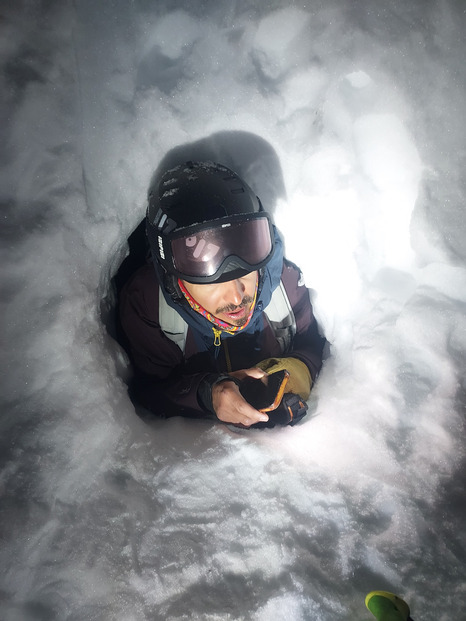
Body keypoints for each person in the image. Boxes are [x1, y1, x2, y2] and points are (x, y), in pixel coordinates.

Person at [118, 161, 326, 427]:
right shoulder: (149, 303)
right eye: (210, 279)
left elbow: (315, 346)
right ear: (173, 276)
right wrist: (207, 394)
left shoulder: (285, 285)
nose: (238, 297)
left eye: (246, 269)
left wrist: (293, 372)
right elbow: (149, 390)